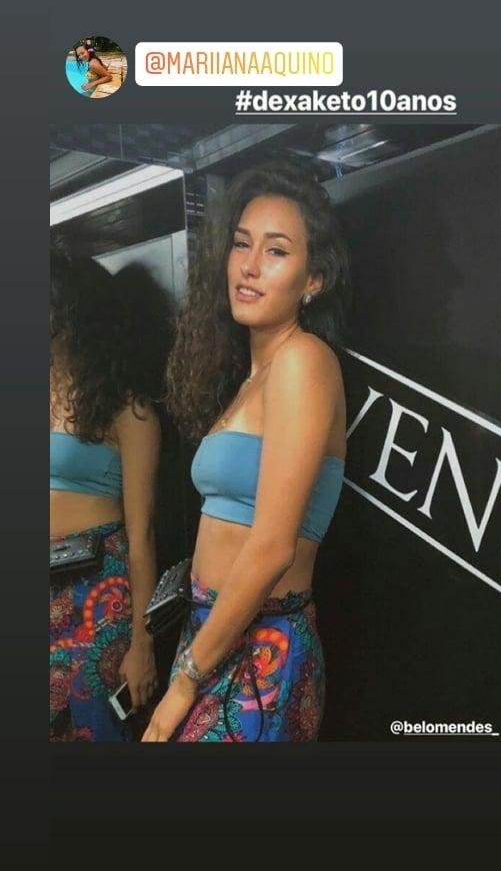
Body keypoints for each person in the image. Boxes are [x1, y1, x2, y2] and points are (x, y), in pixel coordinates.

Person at [142, 161, 350, 742]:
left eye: (276, 251)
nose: (250, 265)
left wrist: (184, 682)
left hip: (262, 651)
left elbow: (273, 546)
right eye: (241, 244)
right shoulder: (251, 379)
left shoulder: (304, 361)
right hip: (213, 636)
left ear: (313, 279)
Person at [50, 254, 173, 741]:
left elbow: (142, 535)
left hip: (97, 596)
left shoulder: (129, 410)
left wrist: (143, 644)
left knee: (96, 728)